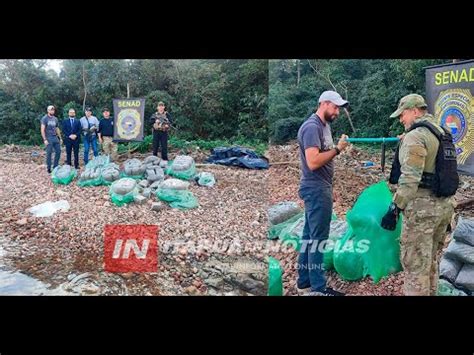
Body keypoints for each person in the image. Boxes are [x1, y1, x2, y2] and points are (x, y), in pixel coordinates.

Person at [381, 94, 456, 296]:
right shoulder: (442, 131)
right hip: (444, 208)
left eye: (402, 114)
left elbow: (410, 177)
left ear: (415, 111)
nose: (400, 119)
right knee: (431, 262)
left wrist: (395, 208)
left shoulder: (416, 136)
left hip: (422, 211)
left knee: (415, 267)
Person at [296, 90, 350, 296]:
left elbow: (323, 157)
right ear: (324, 104)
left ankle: (304, 281)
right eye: (335, 107)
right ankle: (318, 289)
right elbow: (313, 161)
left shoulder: (324, 126)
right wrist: (338, 149)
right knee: (318, 239)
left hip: (321, 187)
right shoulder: (312, 127)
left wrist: (330, 187)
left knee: (309, 236)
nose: (337, 112)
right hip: (315, 187)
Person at [40, 105, 62, 173]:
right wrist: (45, 139)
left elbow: (57, 128)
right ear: (48, 111)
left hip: (55, 137)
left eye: (53, 110)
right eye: (50, 110)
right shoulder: (45, 118)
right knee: (49, 153)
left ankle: (55, 166)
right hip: (48, 137)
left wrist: (60, 138)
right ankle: (49, 168)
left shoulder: (55, 119)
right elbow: (42, 129)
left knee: (58, 151)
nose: (52, 111)